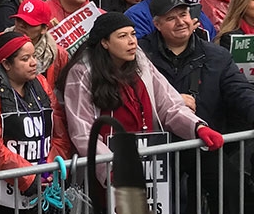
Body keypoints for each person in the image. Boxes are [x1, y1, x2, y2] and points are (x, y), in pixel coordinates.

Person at [59, 12, 224, 186]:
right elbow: (83, 133)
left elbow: (169, 105)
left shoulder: (141, 61)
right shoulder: (82, 72)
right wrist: (111, 167)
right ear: (104, 42)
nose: (132, 41)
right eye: (122, 36)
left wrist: (197, 127)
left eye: (133, 34)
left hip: (149, 165)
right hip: (107, 175)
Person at [139, 0, 254, 213]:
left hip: (204, 142)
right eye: (171, 18)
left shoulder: (217, 56)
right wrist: (171, 100)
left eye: (183, 15)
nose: (180, 22)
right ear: (157, 24)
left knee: (230, 186)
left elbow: (241, 92)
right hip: (158, 147)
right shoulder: (140, 55)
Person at [0, 32, 70, 213]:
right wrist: (29, 177)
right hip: (1, 191)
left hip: (44, 183)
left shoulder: (41, 83)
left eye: (34, 56)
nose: (34, 63)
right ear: (6, 64)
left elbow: (59, 132)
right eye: (25, 59)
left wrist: (50, 168)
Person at [8, 0, 67, 90]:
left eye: (29, 23)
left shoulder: (59, 55)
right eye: (19, 19)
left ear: (44, 29)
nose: (21, 25)